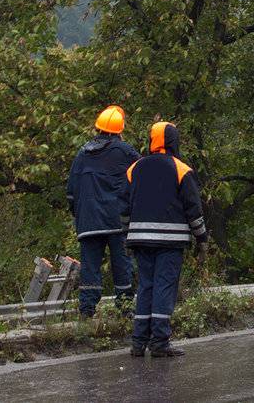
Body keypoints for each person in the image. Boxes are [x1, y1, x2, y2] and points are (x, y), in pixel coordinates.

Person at [125, 121, 209, 358]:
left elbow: (124, 205)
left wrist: (127, 235)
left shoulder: (134, 169)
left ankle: (138, 342)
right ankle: (160, 341)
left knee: (146, 287)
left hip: (139, 239)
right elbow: (193, 208)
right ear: (174, 141)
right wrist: (201, 238)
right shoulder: (181, 169)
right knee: (164, 287)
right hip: (170, 242)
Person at [66, 105, 140, 317]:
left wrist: (77, 213)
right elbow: (144, 174)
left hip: (89, 222)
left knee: (90, 268)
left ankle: (87, 312)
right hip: (117, 220)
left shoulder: (82, 153)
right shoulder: (125, 152)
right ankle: (126, 311)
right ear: (119, 130)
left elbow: (71, 189)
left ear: (98, 128)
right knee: (123, 265)